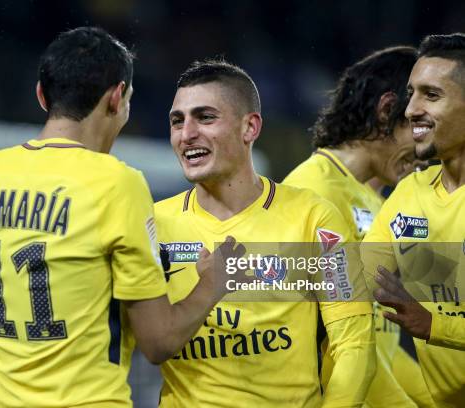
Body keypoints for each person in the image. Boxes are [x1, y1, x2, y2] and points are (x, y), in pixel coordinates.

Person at [0, 27, 241, 408]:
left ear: (42, 96)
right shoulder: (116, 184)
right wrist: (213, 282)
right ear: (118, 97)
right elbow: (158, 342)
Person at [148, 59, 375, 407]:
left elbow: (354, 343)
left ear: (250, 127)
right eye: (177, 121)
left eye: (205, 117)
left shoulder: (313, 218)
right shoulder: (153, 225)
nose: (186, 133)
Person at [283, 46, 433, 407]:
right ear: (386, 111)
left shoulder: (373, 200)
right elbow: (335, 344)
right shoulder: (313, 193)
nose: (426, 148)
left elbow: (380, 342)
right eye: (417, 126)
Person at [364, 33, 465, 407]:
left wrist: (436, 325)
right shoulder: (411, 193)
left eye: (432, 95)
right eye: (412, 93)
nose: (410, 110)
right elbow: (360, 277)